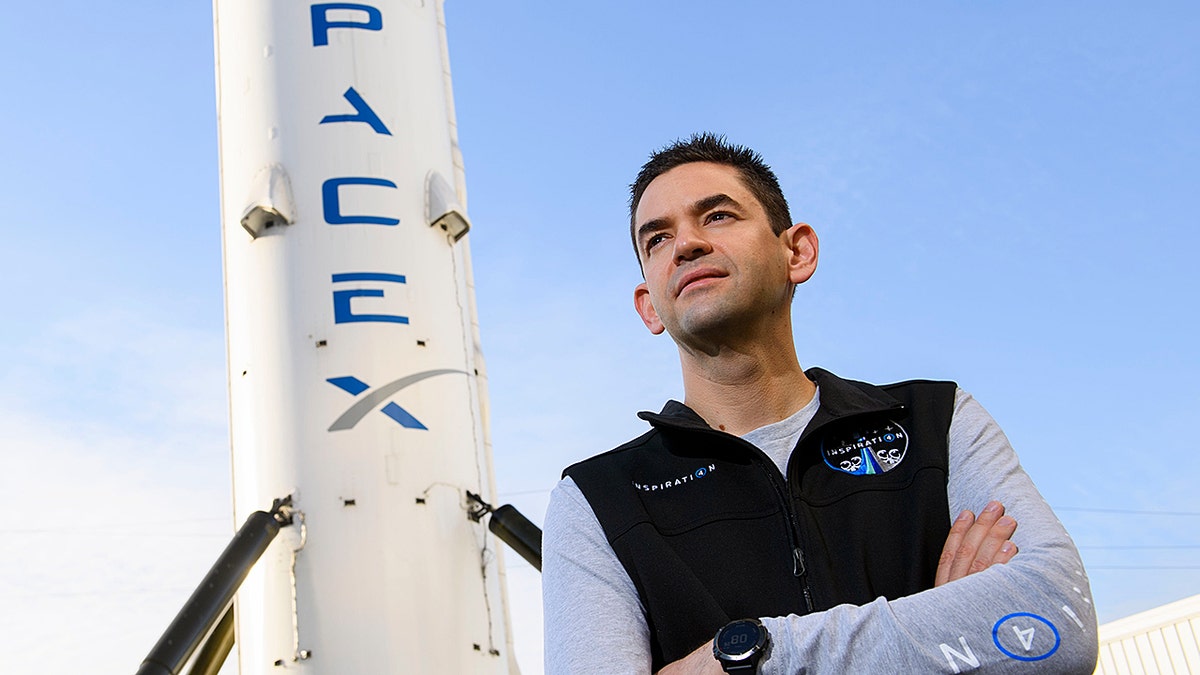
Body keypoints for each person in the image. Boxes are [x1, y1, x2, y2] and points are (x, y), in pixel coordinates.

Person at [541, 134, 1099, 674]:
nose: (686, 244)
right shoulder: (598, 502)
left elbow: (1057, 623)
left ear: (797, 252)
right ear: (649, 308)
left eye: (717, 216)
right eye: (656, 239)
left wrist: (753, 655)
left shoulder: (938, 423)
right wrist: (942, 636)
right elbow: (1000, 647)